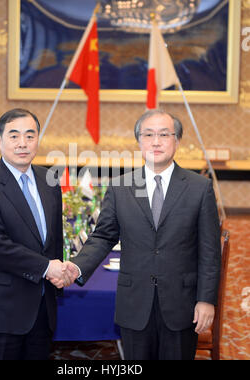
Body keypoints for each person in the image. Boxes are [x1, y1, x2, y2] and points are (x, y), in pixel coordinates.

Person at [62, 109, 221, 360]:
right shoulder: (120, 186)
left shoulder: (199, 188)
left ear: (177, 141)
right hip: (134, 302)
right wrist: (77, 267)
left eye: (164, 134)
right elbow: (103, 237)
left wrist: (206, 300)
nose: (156, 141)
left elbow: (210, 251)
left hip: (182, 304)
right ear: (138, 142)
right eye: (148, 134)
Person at [0, 108, 70, 360]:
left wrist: (59, 276)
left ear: (38, 140)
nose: (22, 143)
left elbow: (53, 241)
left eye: (30, 135)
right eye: (14, 136)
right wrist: (48, 268)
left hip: (42, 310)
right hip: (1, 310)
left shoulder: (49, 181)